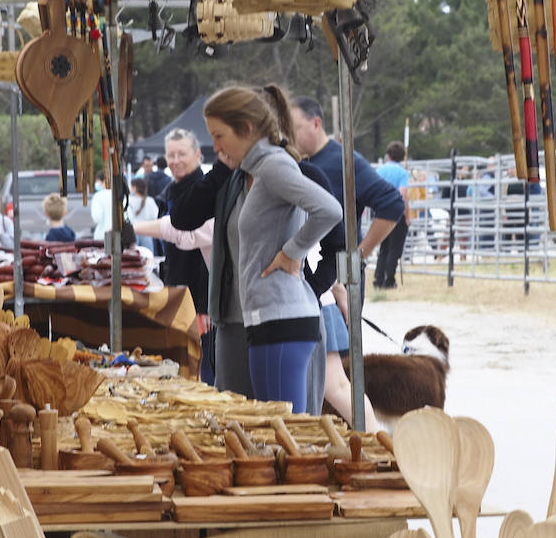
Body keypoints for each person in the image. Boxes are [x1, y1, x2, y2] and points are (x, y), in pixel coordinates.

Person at [169, 89, 347, 402]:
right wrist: (226, 167)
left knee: (284, 426)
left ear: (249, 128)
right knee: (254, 426)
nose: (216, 146)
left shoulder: (282, 168)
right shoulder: (236, 178)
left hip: (280, 314)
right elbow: (183, 217)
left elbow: (334, 225)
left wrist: (299, 269)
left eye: (220, 135)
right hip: (242, 319)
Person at [290, 96, 405, 422]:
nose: (291, 135)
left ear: (316, 123)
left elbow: (392, 204)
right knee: (323, 380)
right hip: (311, 282)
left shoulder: (344, 161)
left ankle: (370, 441)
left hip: (335, 280)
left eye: (295, 127)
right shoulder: (299, 164)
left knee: (335, 380)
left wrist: (358, 256)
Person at [159, 128, 216, 383]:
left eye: (182, 154)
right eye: (171, 155)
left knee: (203, 363)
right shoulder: (168, 193)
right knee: (183, 361)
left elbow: (192, 239)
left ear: (197, 155)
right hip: (177, 291)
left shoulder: (206, 190)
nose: (176, 160)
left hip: (202, 298)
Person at [374, 141, 411, 288]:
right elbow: (403, 194)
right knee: (395, 248)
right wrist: (406, 215)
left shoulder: (380, 170)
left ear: (388, 155)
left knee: (384, 247)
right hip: (396, 213)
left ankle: (378, 279)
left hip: (381, 212)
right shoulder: (402, 173)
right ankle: (389, 280)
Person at [129, 178, 160, 250]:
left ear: (134, 187)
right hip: (147, 232)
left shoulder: (129, 200)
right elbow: (156, 216)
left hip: (133, 232)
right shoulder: (150, 200)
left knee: (133, 257)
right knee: (148, 257)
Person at [89, 170, 113, 240]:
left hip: (102, 236)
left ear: (102, 181)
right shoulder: (120, 195)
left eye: (97, 181)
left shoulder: (98, 196)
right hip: (119, 236)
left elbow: (97, 218)